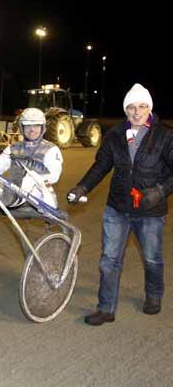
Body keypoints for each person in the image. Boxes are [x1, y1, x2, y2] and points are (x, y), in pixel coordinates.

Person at [67, 83, 173, 325]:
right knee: (109, 260)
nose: (137, 112)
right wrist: (82, 187)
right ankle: (106, 308)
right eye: (132, 107)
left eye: (143, 106)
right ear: (126, 110)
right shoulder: (115, 134)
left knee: (151, 258)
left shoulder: (165, 136)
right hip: (117, 208)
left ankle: (154, 295)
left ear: (150, 108)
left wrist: (159, 192)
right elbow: (101, 166)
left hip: (150, 211)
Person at [0, 107, 63, 210]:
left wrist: (30, 176)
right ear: (22, 128)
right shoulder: (13, 148)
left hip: (39, 194)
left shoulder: (51, 149)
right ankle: (8, 195)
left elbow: (53, 175)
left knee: (30, 180)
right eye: (28, 126)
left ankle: (10, 197)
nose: (32, 130)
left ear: (42, 127)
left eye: (36, 126)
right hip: (13, 188)